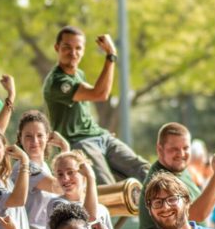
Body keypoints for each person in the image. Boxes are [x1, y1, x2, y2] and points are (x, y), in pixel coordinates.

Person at [42, 26, 149, 185]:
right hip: (79, 143)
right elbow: (100, 94)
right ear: (57, 48)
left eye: (78, 48)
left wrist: (101, 133)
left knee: (144, 170)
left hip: (101, 137)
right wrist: (111, 55)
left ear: (83, 50)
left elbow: (96, 93)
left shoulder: (79, 74)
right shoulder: (57, 82)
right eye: (67, 47)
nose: (73, 53)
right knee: (108, 186)